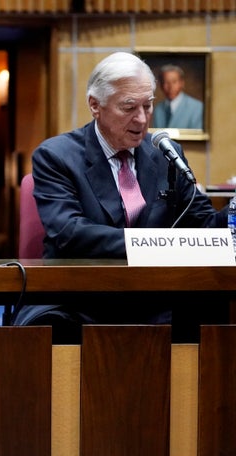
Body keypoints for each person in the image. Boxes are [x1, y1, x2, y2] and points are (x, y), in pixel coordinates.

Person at [14, 52, 227, 343]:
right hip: (79, 297)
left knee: (214, 314)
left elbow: (202, 223)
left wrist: (231, 214)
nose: (141, 119)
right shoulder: (57, 156)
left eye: (148, 105)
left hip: (155, 296)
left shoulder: (167, 153)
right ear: (95, 106)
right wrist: (151, 244)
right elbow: (69, 233)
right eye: (129, 107)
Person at [151, 64, 204, 129]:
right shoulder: (158, 109)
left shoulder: (197, 107)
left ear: (181, 83)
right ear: (161, 85)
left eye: (174, 82)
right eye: (166, 82)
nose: (170, 87)